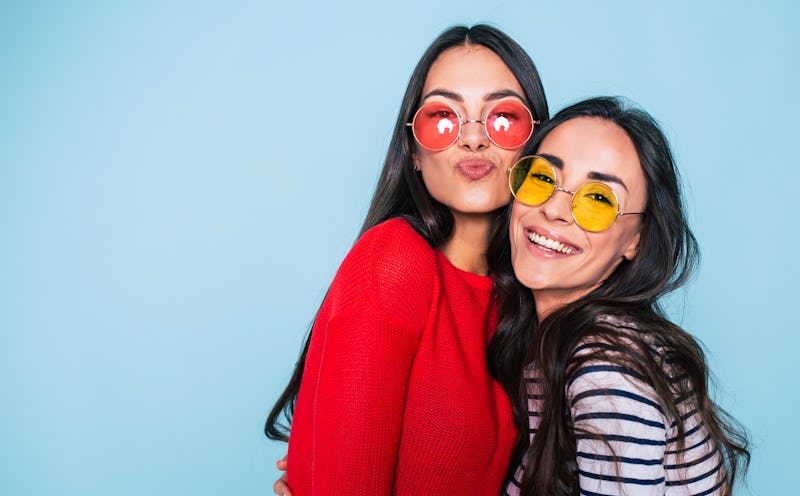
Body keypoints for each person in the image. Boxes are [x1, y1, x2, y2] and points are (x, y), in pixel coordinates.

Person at [265, 24, 548, 495]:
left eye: (502, 118)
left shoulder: (527, 298)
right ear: (413, 152)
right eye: (443, 117)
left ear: (536, 144)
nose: (474, 139)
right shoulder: (395, 263)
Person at [487, 96, 750, 495]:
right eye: (542, 178)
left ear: (636, 240)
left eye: (597, 200)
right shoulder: (553, 346)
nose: (556, 210)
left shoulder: (606, 368)